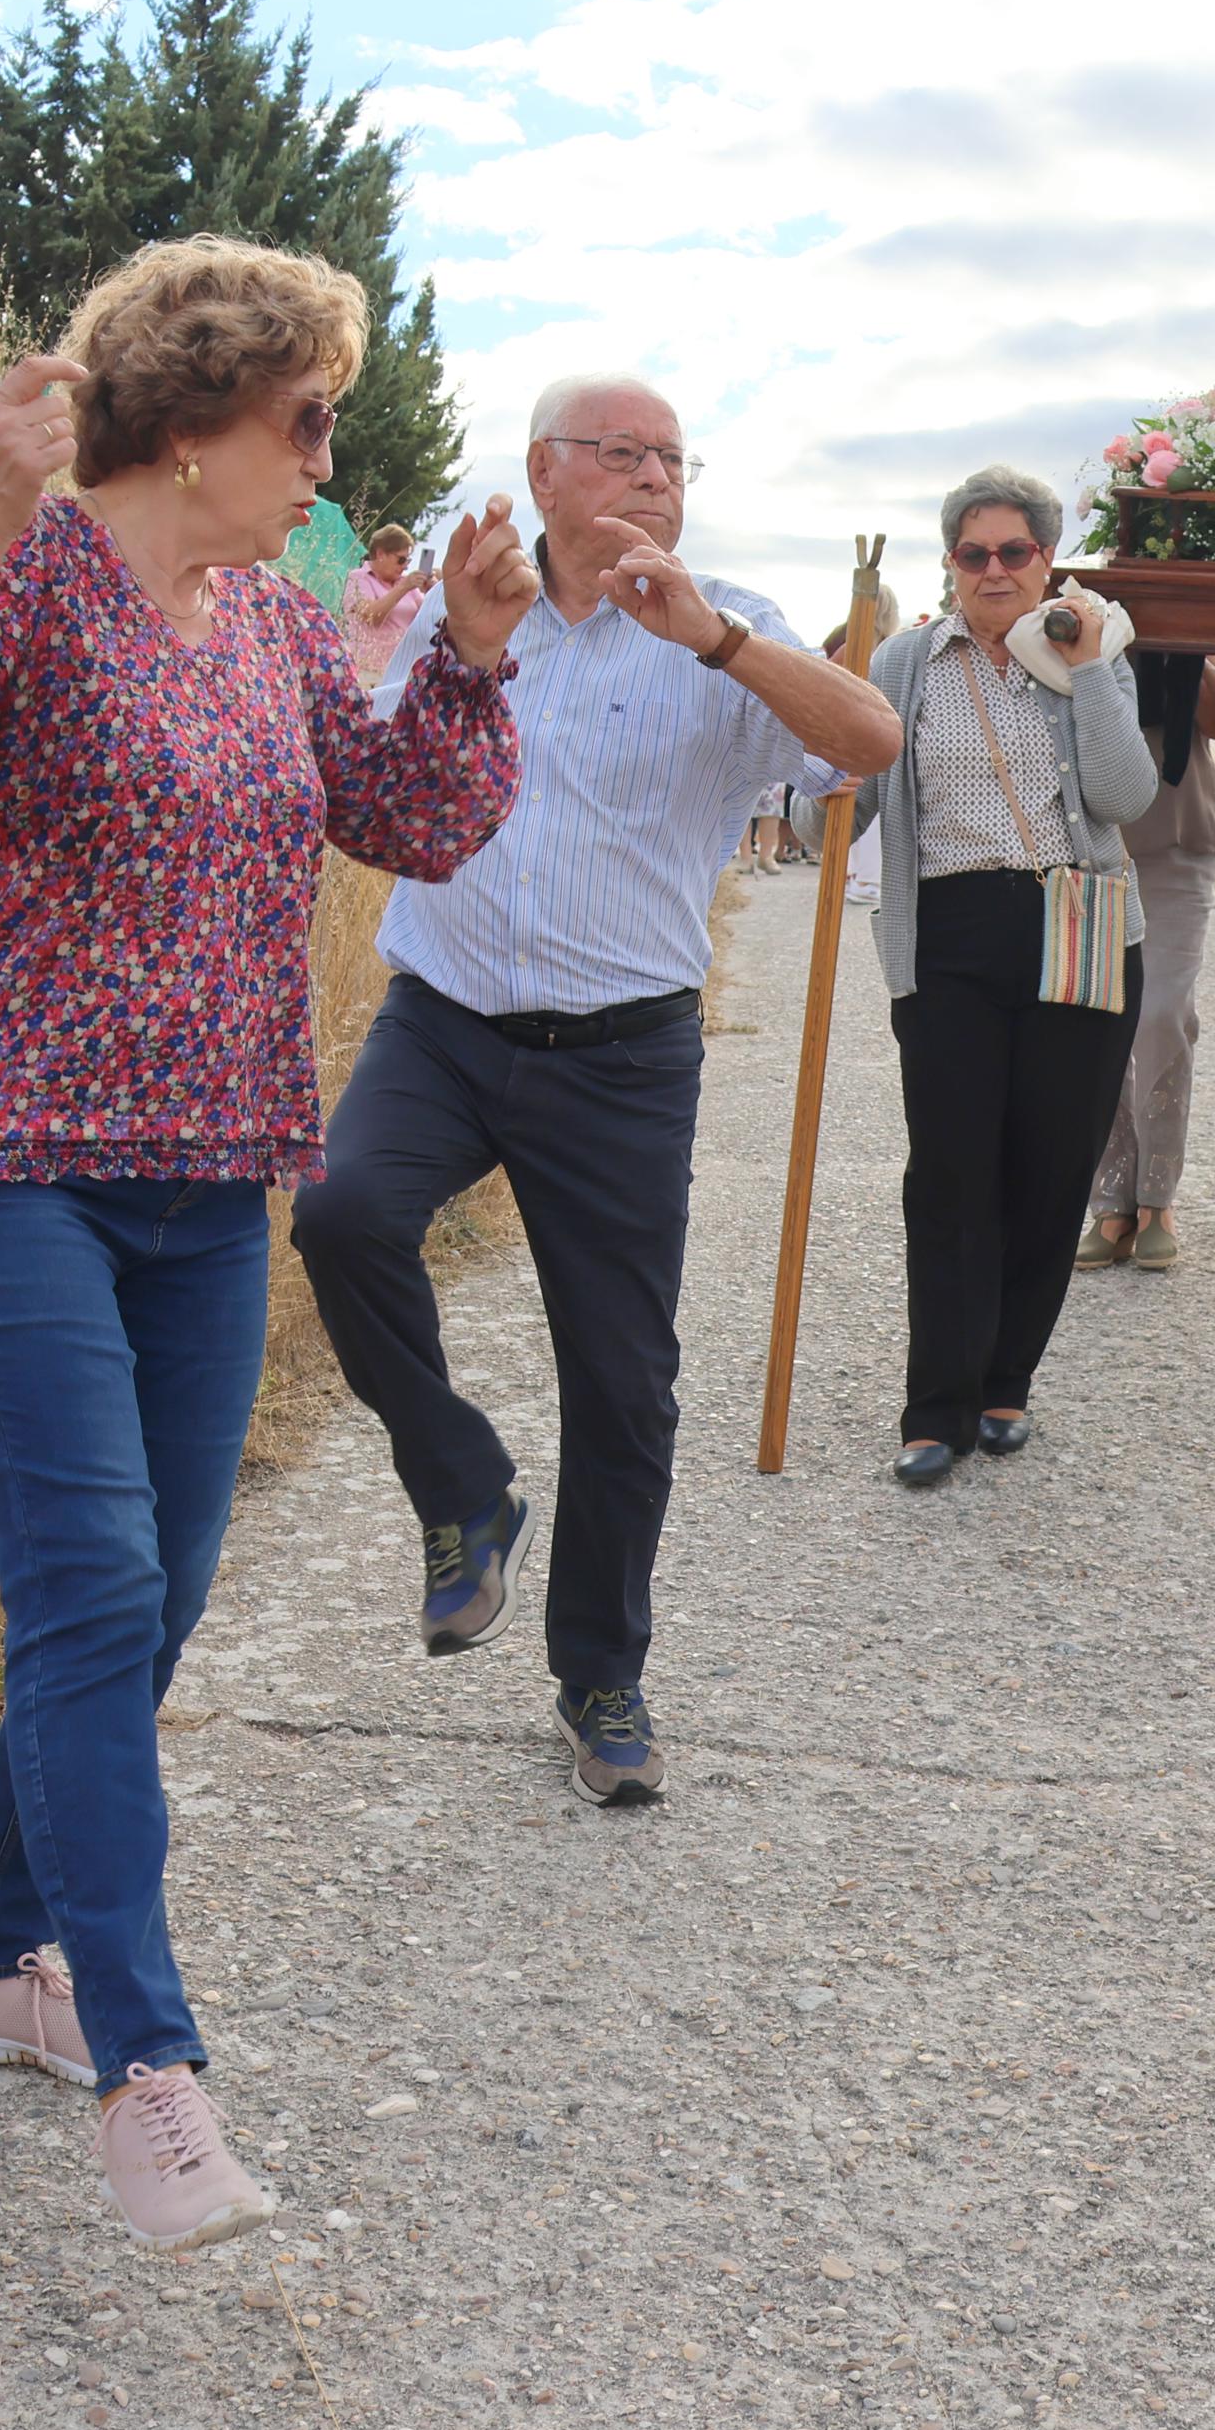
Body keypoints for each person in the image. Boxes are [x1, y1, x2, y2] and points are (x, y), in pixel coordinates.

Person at [0, 237, 532, 2252]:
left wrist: (459, 648)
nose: (325, 453)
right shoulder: (16, 581)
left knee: (151, 1596)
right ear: (195, 420)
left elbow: (411, 820)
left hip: (206, 1186)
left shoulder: (269, 620)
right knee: (92, 1582)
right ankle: (146, 2069)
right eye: (309, 418)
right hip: (5, 1159)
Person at [289, 373, 902, 1808]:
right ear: (542, 475)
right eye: (618, 454)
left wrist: (721, 639)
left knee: (622, 1382)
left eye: (670, 459)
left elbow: (868, 743)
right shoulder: (468, 612)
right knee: (342, 1214)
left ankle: (602, 1675)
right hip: (439, 1017)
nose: (651, 479)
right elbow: (361, 770)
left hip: (621, 1053)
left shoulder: (716, 619)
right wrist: (435, 635)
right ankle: (463, 1485)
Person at [863, 465, 1155, 1488]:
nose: (994, 570)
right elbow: (841, 801)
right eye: (973, 553)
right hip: (948, 925)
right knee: (948, 1169)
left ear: (1045, 559)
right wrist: (818, 757)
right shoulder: (902, 661)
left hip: (1079, 921)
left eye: (1014, 552)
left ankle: (1003, 1382)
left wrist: (1093, 667)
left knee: (1050, 1164)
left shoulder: (1088, 648)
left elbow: (1123, 793)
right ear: (949, 564)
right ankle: (932, 1404)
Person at [1083, 649, 1215, 1271]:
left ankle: (1156, 1198)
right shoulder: (1091, 631)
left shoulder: (1203, 640)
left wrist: (1188, 642)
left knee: (1161, 1016)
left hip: (1179, 844)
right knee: (1101, 1020)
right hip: (1094, 849)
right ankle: (1110, 1200)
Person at [343, 520, 431, 655]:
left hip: (403, 665)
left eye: (408, 561)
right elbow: (372, 617)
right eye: (401, 560)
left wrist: (433, 591)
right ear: (380, 554)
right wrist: (403, 588)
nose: (405, 566)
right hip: (369, 665)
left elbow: (428, 620)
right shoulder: (359, 578)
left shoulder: (406, 584)